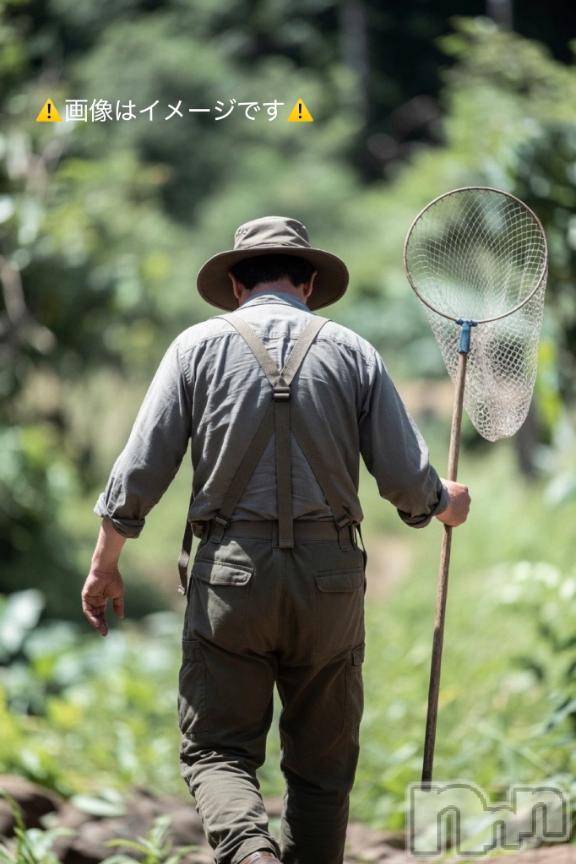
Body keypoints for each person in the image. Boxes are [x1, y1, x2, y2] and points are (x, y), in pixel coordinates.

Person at [84, 215, 470, 864]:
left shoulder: (194, 349)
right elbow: (406, 482)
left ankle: (248, 854)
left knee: (217, 750)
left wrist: (105, 564)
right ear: (310, 283)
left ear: (236, 285)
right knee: (321, 769)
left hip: (230, 576)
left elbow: (141, 471)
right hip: (331, 581)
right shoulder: (353, 352)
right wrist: (442, 504)